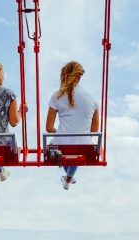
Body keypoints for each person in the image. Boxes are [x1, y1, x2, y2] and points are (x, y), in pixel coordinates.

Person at [46, 61, 99, 190]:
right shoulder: (92, 99)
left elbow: (48, 127)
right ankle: (68, 178)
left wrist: (62, 132)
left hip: (62, 145)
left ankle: (68, 178)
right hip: (84, 145)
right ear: (79, 77)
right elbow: (94, 130)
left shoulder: (56, 96)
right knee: (77, 147)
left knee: (64, 146)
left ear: (63, 76)